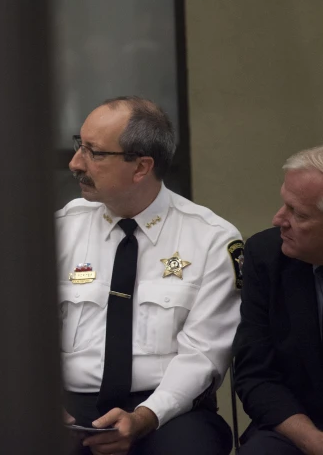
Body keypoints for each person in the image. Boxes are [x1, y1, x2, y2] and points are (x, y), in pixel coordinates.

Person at [56, 96, 242, 455]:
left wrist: (144, 416)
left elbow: (203, 355)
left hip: (168, 410)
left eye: (94, 152)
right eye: (79, 145)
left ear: (141, 167)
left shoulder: (211, 239)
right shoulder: (61, 229)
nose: (75, 162)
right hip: (69, 406)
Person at [233, 146, 323, 455]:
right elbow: (255, 374)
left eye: (297, 213)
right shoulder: (265, 256)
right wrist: (314, 442)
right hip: (296, 425)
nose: (277, 219)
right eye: (284, 203)